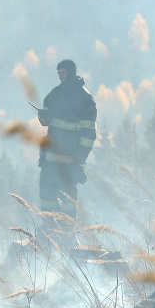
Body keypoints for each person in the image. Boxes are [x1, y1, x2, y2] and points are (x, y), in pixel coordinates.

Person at [37, 59, 97, 220]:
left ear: (71, 72)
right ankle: (48, 227)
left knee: (68, 198)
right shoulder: (54, 94)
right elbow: (46, 120)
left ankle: (67, 230)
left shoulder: (85, 99)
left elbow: (89, 132)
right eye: (58, 74)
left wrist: (80, 156)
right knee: (46, 194)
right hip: (51, 159)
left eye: (62, 73)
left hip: (70, 161)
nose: (60, 77)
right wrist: (42, 117)